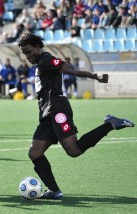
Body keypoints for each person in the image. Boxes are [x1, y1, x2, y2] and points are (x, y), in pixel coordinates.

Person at [17, 33, 135, 200]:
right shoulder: (40, 64)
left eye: (28, 52)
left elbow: (69, 69)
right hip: (46, 114)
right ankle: (53, 190)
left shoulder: (46, 59)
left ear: (38, 47)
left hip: (57, 111)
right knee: (35, 153)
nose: (27, 56)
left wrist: (94, 76)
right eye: (24, 53)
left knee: (74, 150)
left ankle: (110, 124)